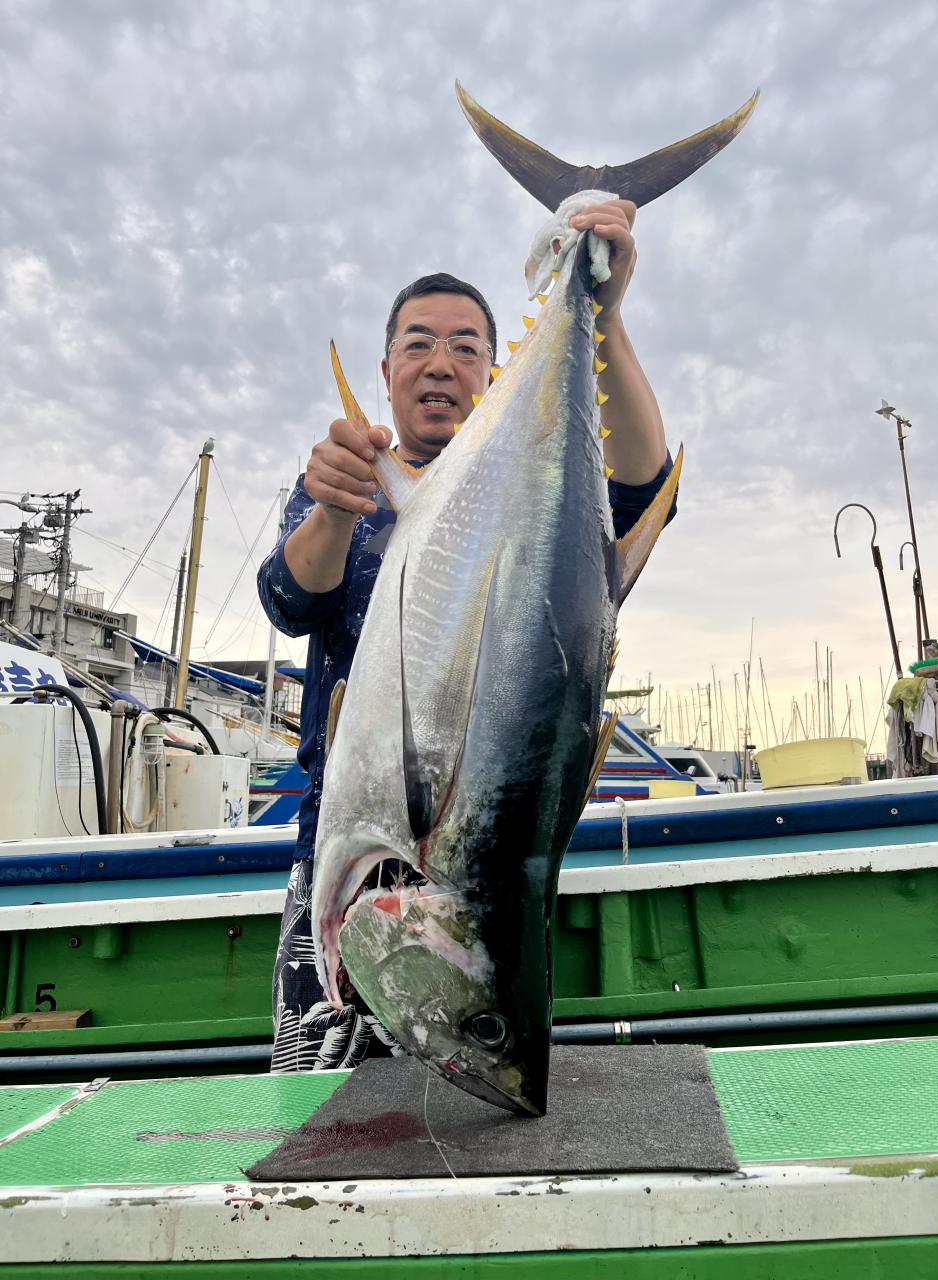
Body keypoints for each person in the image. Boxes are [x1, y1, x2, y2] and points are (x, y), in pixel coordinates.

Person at [258, 198, 678, 1072]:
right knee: (318, 1126)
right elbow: (290, 600)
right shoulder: (347, 481)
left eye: (466, 346)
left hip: (475, 880)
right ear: (386, 370)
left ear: (493, 369)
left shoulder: (540, 501)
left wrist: (601, 311)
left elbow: (641, 486)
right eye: (419, 344)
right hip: (348, 854)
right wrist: (335, 506)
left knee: (477, 1073)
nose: (441, 363)